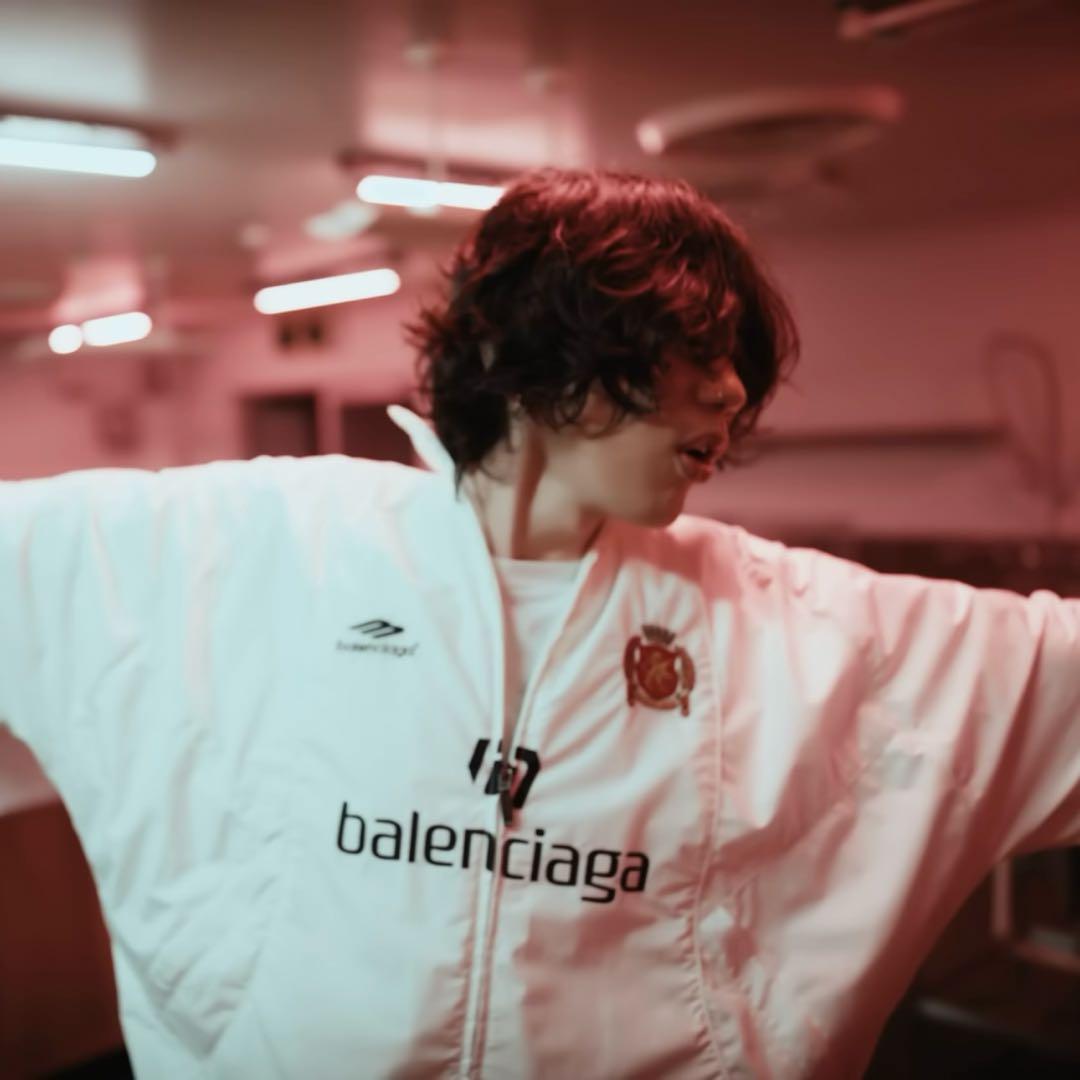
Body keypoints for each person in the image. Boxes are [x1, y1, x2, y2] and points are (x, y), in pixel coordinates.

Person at [0, 167, 1077, 1079]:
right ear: (536, 356)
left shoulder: (790, 623)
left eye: (738, 363)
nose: (733, 393)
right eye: (695, 348)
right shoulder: (261, 547)